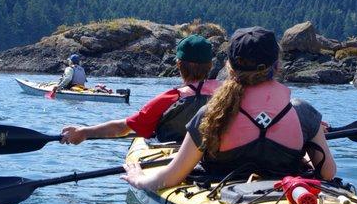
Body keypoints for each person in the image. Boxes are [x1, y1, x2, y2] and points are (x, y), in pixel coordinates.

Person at [121, 26, 337, 191]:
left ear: (230, 67)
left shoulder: (211, 115)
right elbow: (327, 173)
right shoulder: (302, 113)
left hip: (223, 194)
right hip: (285, 195)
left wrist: (139, 179)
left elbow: (170, 177)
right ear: (277, 65)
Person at [61, 34, 221, 144]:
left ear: (179, 65)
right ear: (210, 66)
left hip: (175, 157)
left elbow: (122, 127)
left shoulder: (170, 98)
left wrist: (83, 132)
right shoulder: (227, 92)